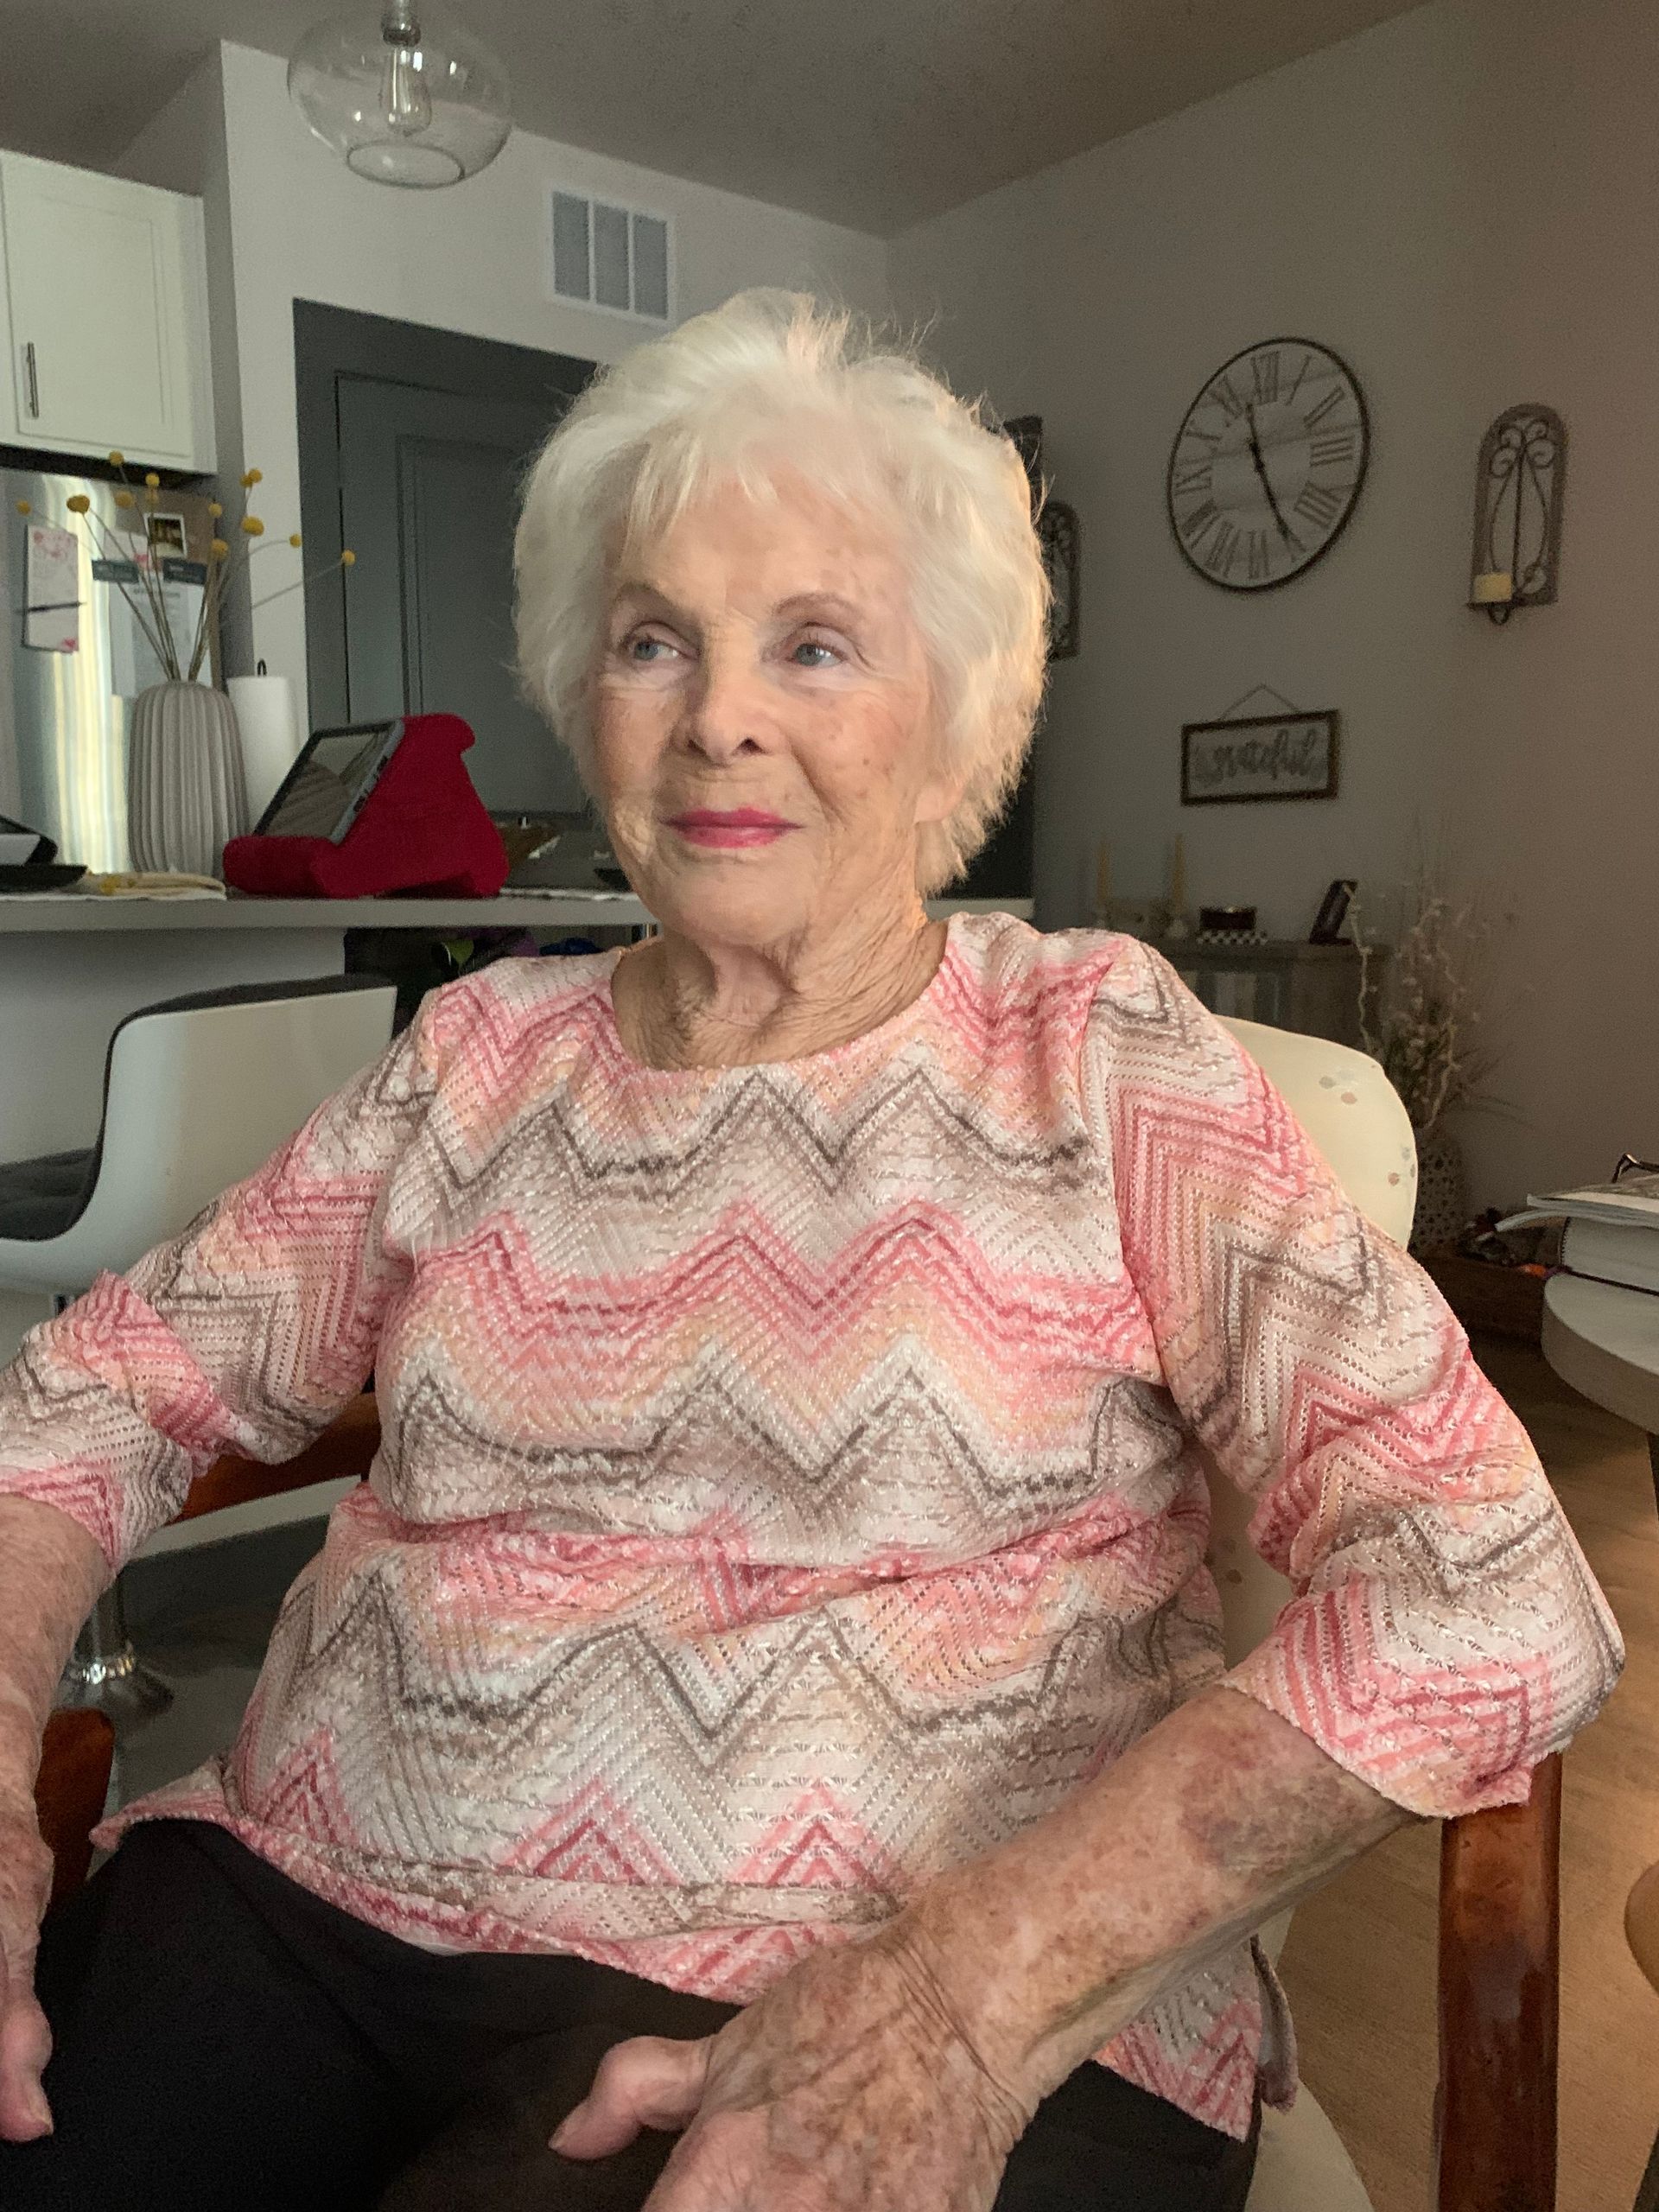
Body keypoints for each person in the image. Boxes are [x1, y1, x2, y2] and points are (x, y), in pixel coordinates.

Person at [0, 292, 1623, 2212]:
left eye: (816, 641)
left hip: (893, 1977)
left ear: (956, 707)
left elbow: (1489, 1588)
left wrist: (960, 1999)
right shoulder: (479, 1055)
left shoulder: (1101, 1055)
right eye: (652, 637)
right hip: (307, 1893)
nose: (719, 716)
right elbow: (84, 1400)